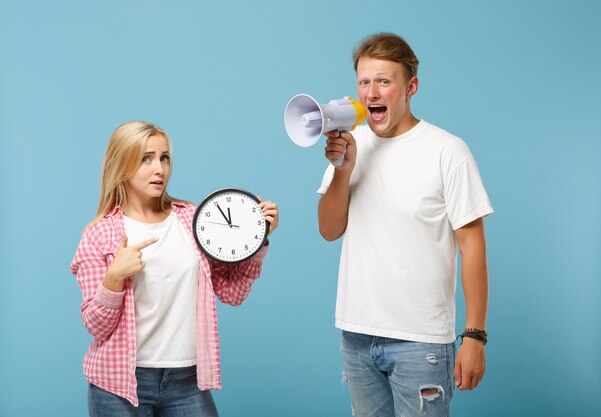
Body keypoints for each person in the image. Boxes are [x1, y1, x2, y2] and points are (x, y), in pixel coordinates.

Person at [317, 33, 493, 417]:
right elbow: (329, 230)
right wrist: (342, 170)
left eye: (384, 81)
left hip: (421, 342)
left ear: (410, 86)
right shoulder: (351, 144)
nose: (372, 91)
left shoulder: (448, 151)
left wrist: (474, 336)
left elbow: (472, 247)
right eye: (364, 82)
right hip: (357, 335)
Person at [70, 121, 278, 416]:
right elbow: (96, 325)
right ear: (122, 164)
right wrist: (114, 277)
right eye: (146, 158)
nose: (159, 169)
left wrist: (258, 238)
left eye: (164, 157)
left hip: (186, 380)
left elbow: (232, 293)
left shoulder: (193, 219)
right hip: (120, 382)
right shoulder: (99, 234)